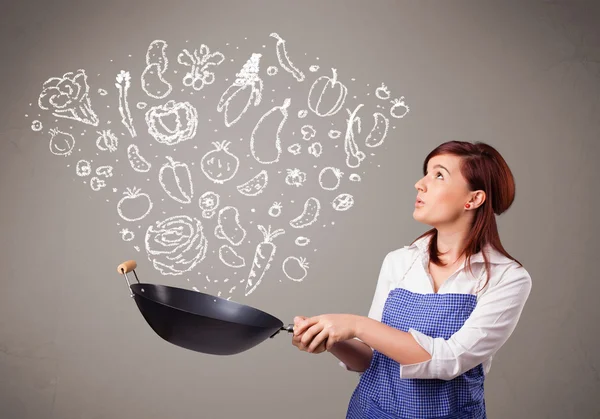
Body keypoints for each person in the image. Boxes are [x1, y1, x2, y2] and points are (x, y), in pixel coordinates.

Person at [292, 140, 533, 418]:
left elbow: (449, 360)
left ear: (474, 199)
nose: (420, 184)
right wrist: (332, 339)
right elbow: (373, 358)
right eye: (426, 173)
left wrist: (356, 324)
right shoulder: (400, 261)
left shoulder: (507, 278)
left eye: (439, 175)